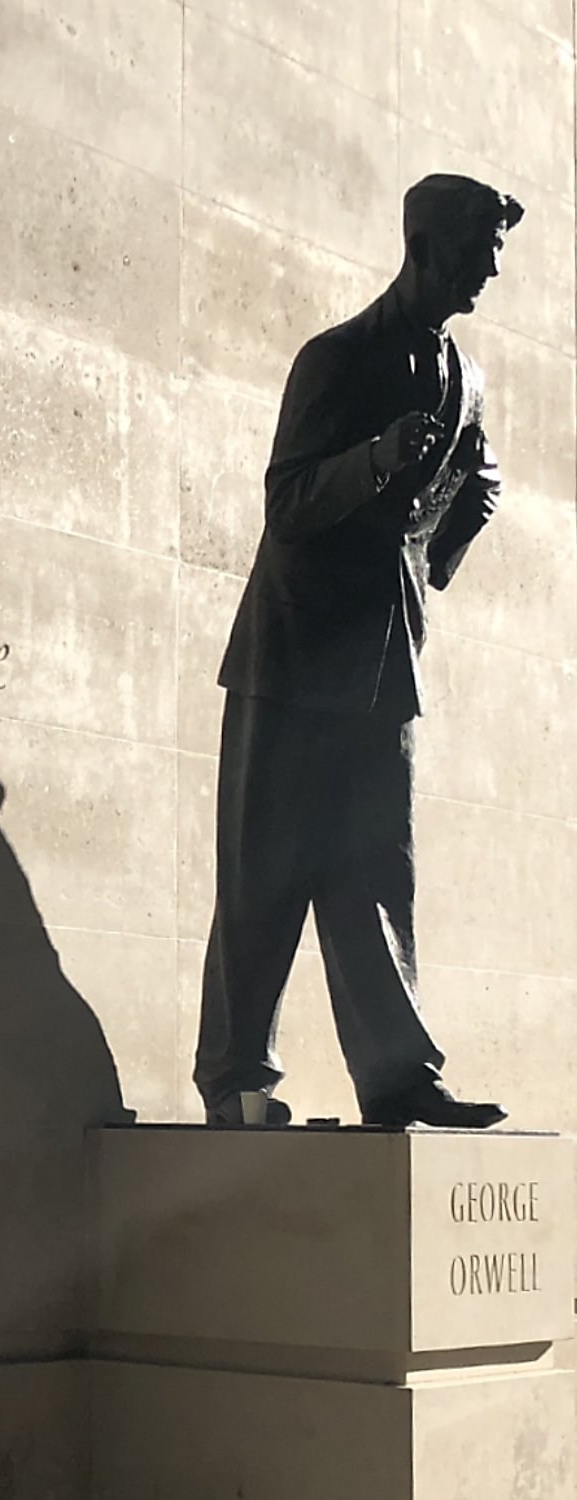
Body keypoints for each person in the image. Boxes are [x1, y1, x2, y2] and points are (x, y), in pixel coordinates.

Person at [195, 173, 523, 1129]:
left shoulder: (467, 376)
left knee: (378, 870)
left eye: (497, 252)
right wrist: (376, 460)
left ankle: (396, 1078)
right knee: (265, 871)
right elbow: (286, 501)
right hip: (293, 659)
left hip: (386, 668)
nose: (490, 271)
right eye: (479, 251)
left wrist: (444, 540)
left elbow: (473, 489)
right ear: (425, 246)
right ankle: (237, 1082)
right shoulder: (335, 359)